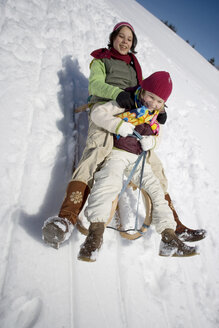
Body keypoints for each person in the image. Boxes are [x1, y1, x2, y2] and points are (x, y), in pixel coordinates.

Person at [42, 22, 206, 249]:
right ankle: (66, 219)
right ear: (113, 38)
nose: (125, 41)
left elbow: (147, 91)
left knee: (155, 166)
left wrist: (160, 110)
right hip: (107, 111)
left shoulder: (133, 66)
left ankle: (174, 226)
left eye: (129, 38)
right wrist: (118, 95)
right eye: (121, 36)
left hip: (132, 115)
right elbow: (96, 85)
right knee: (95, 154)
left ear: (132, 44)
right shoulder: (101, 60)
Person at [78, 71, 198, 261]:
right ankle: (95, 234)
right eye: (151, 96)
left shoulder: (154, 116)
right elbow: (98, 113)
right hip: (117, 153)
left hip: (138, 160)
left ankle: (168, 236)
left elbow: (158, 137)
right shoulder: (126, 102)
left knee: (157, 191)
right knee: (109, 182)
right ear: (142, 91)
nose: (153, 103)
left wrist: (152, 142)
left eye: (159, 101)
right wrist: (117, 126)